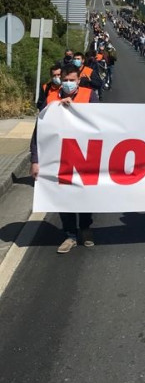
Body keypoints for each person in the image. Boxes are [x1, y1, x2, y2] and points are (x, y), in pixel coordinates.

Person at [30, 65, 99, 253]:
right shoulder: (51, 98)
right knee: (63, 197)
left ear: (78, 80)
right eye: (65, 79)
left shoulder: (89, 95)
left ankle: (85, 228)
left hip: (85, 155)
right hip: (59, 157)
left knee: (85, 194)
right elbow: (39, 131)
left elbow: (99, 123)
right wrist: (35, 160)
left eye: (72, 80)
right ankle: (70, 235)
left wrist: (74, 109)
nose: (68, 83)